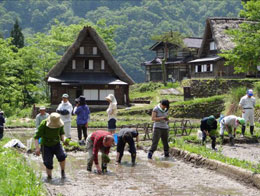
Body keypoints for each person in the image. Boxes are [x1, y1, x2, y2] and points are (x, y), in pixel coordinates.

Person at [34, 112, 67, 179]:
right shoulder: (44, 124)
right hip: (46, 145)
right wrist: (37, 148)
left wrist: (64, 140)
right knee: (48, 162)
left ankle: (63, 172)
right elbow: (36, 137)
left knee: (62, 156)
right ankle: (49, 177)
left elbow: (62, 134)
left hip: (56, 143)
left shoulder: (59, 124)